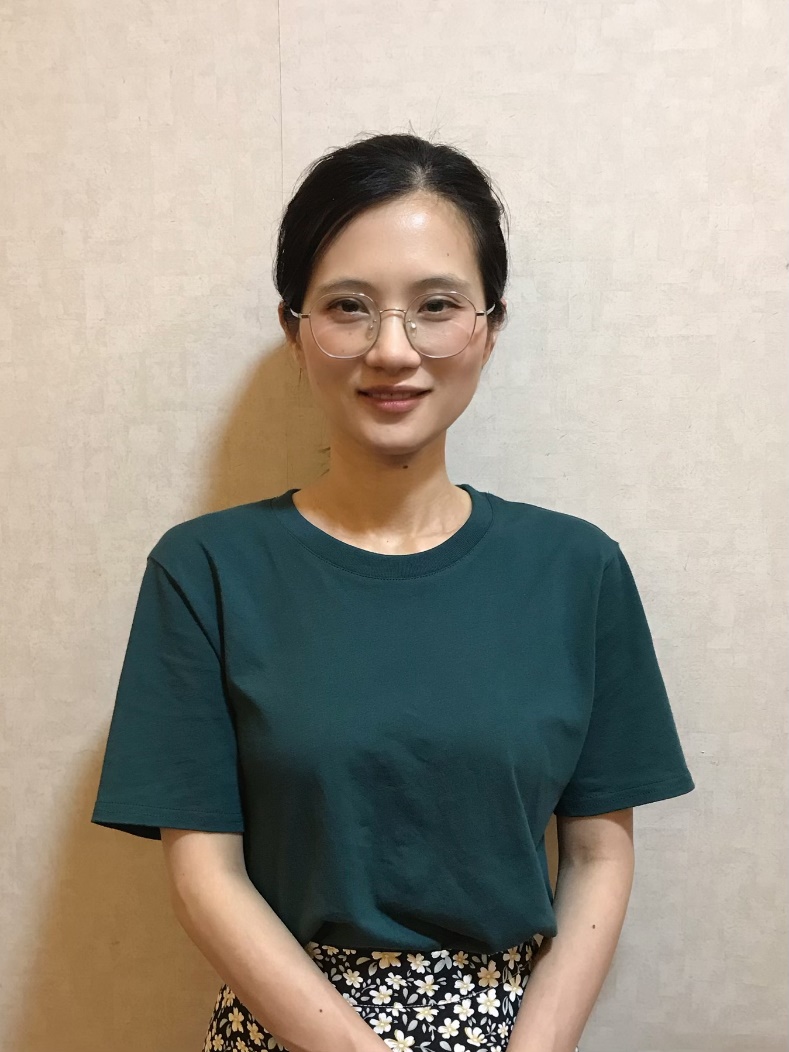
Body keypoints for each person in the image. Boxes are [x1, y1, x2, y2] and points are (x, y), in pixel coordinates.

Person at [91, 132, 695, 1052]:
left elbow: (597, 854)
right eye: (348, 307)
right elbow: (203, 873)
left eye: (436, 306)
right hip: (287, 1031)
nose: (391, 350)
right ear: (294, 331)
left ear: (489, 327)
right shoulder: (205, 570)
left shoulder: (578, 570)